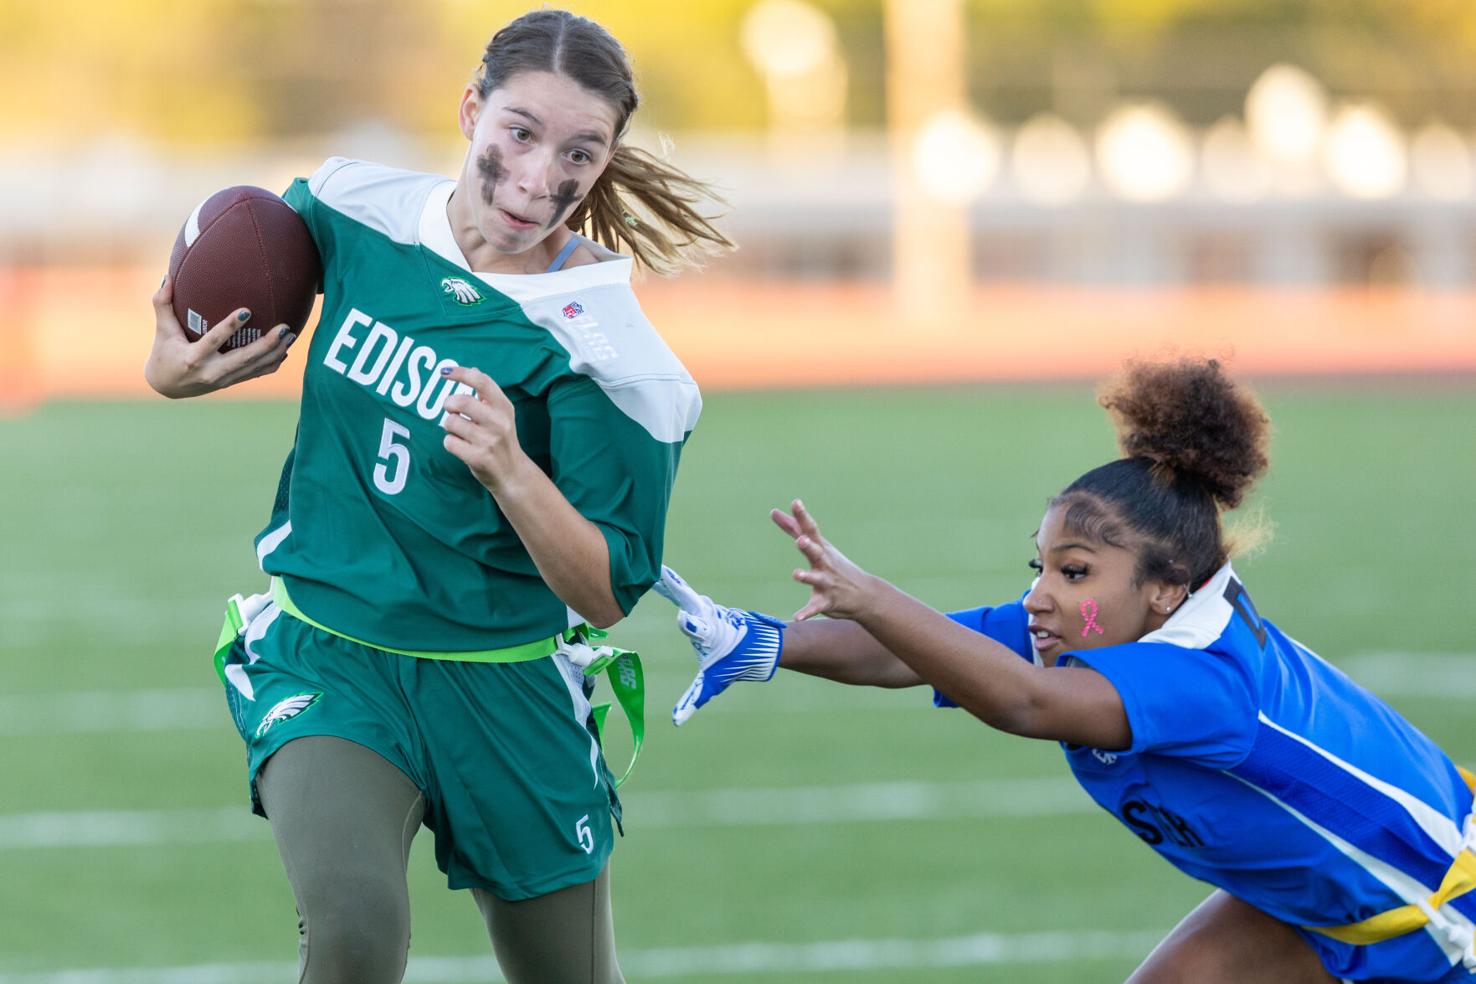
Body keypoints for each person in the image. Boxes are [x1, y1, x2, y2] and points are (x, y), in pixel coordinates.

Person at [144, 10, 731, 983]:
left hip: (504, 681)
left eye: (580, 152)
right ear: (471, 109)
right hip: (332, 650)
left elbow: (605, 591)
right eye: (520, 133)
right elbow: (231, 297)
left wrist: (510, 469)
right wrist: (174, 370)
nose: (542, 177)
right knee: (354, 937)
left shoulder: (614, 352)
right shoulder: (351, 207)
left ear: (607, 160)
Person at [656, 358, 1476, 984]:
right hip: (1333, 905)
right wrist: (758, 643)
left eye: (1074, 572)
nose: (1040, 598)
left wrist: (868, 594)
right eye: (1041, 566)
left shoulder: (1202, 677)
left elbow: (1023, 702)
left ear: (1164, 591)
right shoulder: (1092, 627)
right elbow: (917, 649)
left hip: (1442, 922)